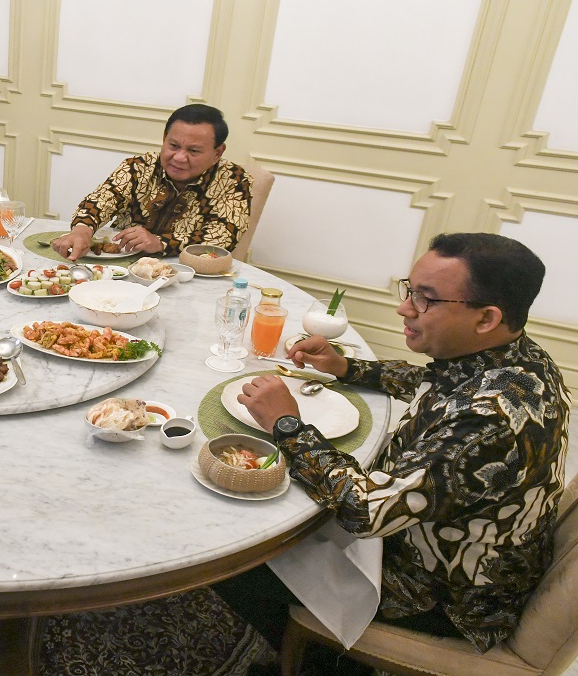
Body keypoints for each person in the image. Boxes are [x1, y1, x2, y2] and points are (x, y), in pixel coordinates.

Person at [214, 233, 570, 671]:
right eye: (410, 291)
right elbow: (435, 382)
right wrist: (345, 366)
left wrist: (285, 424)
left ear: (486, 318)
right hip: (472, 556)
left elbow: (364, 513)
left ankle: (323, 662)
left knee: (239, 556)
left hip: (443, 596)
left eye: (426, 300)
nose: (404, 309)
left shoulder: (490, 421)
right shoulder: (518, 361)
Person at [51, 103, 253, 261]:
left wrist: (160, 243)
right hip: (119, 265)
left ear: (217, 152)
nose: (180, 157)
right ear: (164, 138)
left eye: (193, 151)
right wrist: (82, 231)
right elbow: (101, 200)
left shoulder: (234, 181)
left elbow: (223, 237)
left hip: (186, 274)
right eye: (173, 145)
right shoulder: (139, 166)